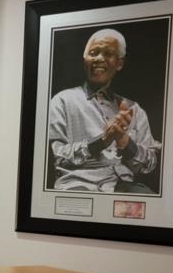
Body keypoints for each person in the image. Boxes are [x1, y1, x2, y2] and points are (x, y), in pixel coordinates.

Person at [47, 28, 161, 193]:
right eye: (94, 53)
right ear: (85, 60)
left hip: (125, 189)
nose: (99, 58)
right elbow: (57, 157)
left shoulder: (134, 109)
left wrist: (125, 142)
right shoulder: (63, 100)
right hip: (78, 187)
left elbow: (149, 165)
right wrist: (101, 141)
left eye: (108, 54)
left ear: (119, 63)